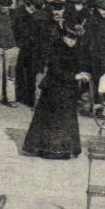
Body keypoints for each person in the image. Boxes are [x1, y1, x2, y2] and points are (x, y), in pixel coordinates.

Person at [20, 17, 90, 160]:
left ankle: (65, 148)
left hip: (68, 91)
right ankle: (50, 149)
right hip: (54, 89)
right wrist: (75, 77)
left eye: (75, 38)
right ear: (63, 35)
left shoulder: (75, 49)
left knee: (66, 119)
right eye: (69, 37)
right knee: (53, 119)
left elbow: (77, 65)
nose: (72, 41)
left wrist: (82, 73)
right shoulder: (56, 48)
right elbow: (56, 71)